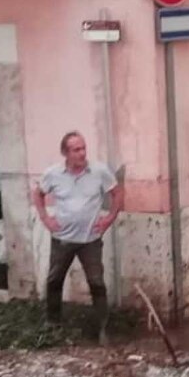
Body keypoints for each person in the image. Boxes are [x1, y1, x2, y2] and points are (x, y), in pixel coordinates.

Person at [33, 131, 121, 340]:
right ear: (65, 153)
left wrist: (110, 218)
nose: (82, 153)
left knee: (97, 282)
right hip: (63, 239)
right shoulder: (53, 174)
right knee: (54, 280)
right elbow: (38, 193)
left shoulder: (99, 171)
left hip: (90, 240)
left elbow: (117, 192)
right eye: (76, 150)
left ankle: (103, 329)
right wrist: (45, 218)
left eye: (83, 148)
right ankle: (53, 324)